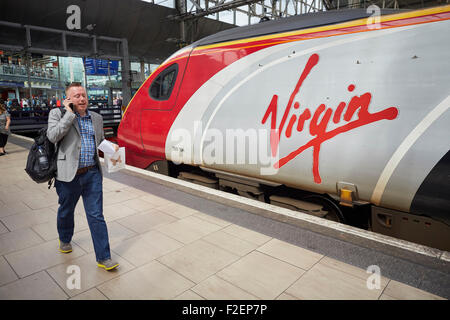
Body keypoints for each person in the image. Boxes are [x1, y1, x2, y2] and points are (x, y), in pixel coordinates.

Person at [47, 82, 120, 271]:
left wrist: (110, 146)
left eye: (83, 95)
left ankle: (104, 257)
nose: (82, 98)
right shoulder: (58, 114)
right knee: (66, 210)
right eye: (77, 96)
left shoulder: (96, 117)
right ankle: (64, 238)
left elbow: (99, 140)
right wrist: (69, 114)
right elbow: (53, 136)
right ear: (68, 99)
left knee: (96, 215)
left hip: (92, 173)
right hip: (68, 175)